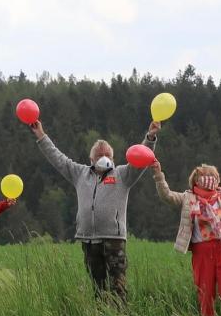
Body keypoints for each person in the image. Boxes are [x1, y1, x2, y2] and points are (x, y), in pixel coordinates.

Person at [29, 120, 161, 305]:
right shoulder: (80, 174)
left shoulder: (123, 175)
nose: (104, 157)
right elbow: (58, 159)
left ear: (113, 158)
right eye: (100, 155)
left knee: (118, 286)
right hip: (89, 240)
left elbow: (141, 158)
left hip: (113, 240)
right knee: (98, 288)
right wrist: (41, 136)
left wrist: (150, 137)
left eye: (107, 154)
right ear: (91, 159)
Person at [151, 160, 221, 316]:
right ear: (195, 180)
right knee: (205, 295)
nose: (210, 179)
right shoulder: (188, 198)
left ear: (218, 179)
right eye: (205, 176)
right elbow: (167, 196)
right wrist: (158, 175)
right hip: (202, 253)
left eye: (213, 176)